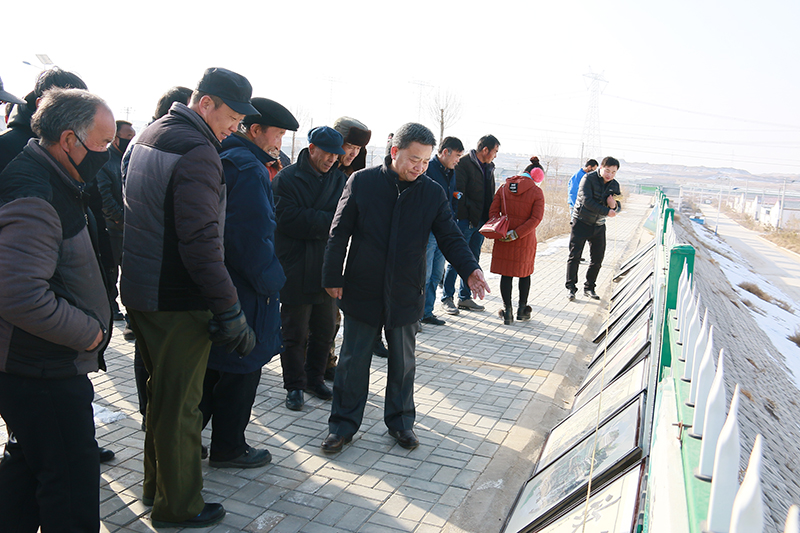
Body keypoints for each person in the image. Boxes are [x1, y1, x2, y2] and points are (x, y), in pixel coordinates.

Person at [122, 67, 259, 528]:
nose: (234, 128)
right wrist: (229, 308)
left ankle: (156, 488)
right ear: (206, 104)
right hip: (177, 299)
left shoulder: (152, 134)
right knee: (181, 407)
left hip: (142, 290)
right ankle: (179, 507)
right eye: (232, 117)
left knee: (161, 397)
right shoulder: (198, 150)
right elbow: (201, 242)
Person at [321, 123, 490, 453]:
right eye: (414, 159)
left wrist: (470, 268)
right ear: (395, 152)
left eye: (426, 161)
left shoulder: (431, 192)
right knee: (353, 362)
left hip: (406, 290)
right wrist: (332, 276)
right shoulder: (363, 182)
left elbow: (450, 236)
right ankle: (341, 426)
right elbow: (339, 233)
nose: (420, 167)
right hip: (363, 287)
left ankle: (401, 423)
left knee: (403, 363)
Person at [0, 87, 114, 532]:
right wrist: (88, 332)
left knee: (28, 468)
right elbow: (19, 294)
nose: (109, 153)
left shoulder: (53, 177)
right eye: (103, 143)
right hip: (41, 367)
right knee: (70, 483)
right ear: (69, 139)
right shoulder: (36, 193)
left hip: (36, 364)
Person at [199, 97, 292, 469]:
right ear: (255, 130)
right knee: (242, 372)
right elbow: (249, 239)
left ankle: (188, 441)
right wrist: (274, 280)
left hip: (220, 285)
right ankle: (229, 447)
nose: (279, 143)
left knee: (212, 370)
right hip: (247, 290)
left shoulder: (225, 156)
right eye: (277, 134)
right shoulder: (249, 168)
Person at [273, 126, 347, 411]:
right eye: (327, 153)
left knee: (325, 329)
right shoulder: (287, 178)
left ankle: (315, 378)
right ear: (312, 148)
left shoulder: (340, 180)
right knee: (295, 332)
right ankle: (294, 385)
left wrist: (321, 221)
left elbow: (346, 218)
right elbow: (287, 218)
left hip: (327, 266)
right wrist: (328, 222)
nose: (332, 159)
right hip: (295, 264)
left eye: (336, 155)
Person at [329, 116, 377, 376]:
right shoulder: (323, 170)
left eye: (358, 149)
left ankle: (326, 363)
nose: (353, 153)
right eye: (350, 146)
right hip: (311, 255)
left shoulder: (354, 177)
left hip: (340, 257)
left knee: (331, 319)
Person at [442, 134, 500, 313]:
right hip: (466, 220)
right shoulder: (464, 163)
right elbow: (459, 193)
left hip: (481, 222)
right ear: (485, 149)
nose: (495, 155)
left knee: (473, 260)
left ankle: (465, 297)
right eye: (495, 151)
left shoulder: (489, 167)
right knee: (457, 259)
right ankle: (447, 297)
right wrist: (468, 214)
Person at [488, 163, 546, 324]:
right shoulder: (537, 192)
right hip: (525, 238)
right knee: (525, 273)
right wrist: (517, 233)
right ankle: (522, 310)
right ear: (537, 175)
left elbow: (493, 212)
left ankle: (507, 311)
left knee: (506, 274)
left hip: (503, 236)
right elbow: (536, 219)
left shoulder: (503, 188)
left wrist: (502, 231)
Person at [0, 68, 87, 173]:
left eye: (82, 108)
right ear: (41, 104)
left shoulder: (79, 146)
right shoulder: (5, 146)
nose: (77, 116)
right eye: (70, 107)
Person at [95, 120, 136, 321]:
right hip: (113, 227)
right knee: (111, 270)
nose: (131, 140)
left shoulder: (131, 158)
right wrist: (120, 218)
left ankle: (131, 309)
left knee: (130, 271)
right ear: (115, 138)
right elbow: (104, 196)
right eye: (127, 137)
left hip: (129, 227)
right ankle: (111, 306)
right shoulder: (104, 160)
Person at [566, 156, 622, 301]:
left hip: (599, 225)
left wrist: (614, 206)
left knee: (597, 259)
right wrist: (607, 211)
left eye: (613, 172)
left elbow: (618, 206)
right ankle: (571, 288)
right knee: (574, 256)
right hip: (581, 222)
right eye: (607, 170)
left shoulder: (614, 185)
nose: (610, 175)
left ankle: (589, 287)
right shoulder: (588, 179)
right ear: (601, 167)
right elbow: (587, 201)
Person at [423, 136, 463, 325]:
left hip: (444, 230)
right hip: (429, 230)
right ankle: (415, 316)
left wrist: (452, 217)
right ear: (445, 152)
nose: (458, 160)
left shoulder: (450, 172)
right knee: (424, 274)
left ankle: (427, 312)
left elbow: (453, 196)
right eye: (457, 156)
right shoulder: (428, 169)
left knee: (437, 274)